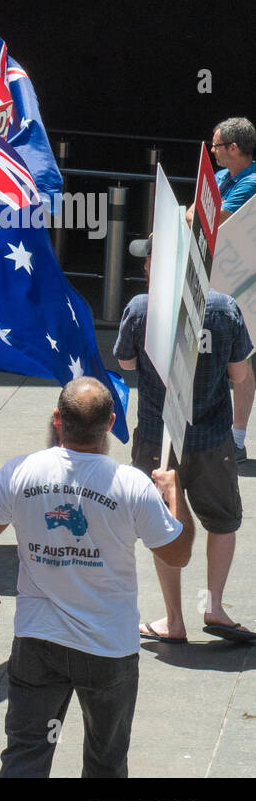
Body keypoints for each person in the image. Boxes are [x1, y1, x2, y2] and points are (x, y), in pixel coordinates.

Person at [0, 377, 194, 778]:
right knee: (106, 762)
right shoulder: (131, 485)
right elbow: (179, 553)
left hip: (38, 641)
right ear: (110, 424)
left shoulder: (21, 472)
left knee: (27, 753)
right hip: (108, 648)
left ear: (57, 420)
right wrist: (176, 496)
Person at [114, 233, 256, 643]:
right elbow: (240, 376)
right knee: (223, 522)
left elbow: (125, 362)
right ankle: (213, 606)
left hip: (159, 439)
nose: (144, 265)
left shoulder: (141, 308)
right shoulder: (225, 308)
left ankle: (174, 619)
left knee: (161, 525)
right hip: (212, 438)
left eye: (149, 258)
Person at [186, 117, 256, 230]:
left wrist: (199, 216)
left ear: (233, 148)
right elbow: (191, 215)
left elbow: (212, 223)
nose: (212, 150)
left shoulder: (252, 182)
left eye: (216, 145)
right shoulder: (220, 175)